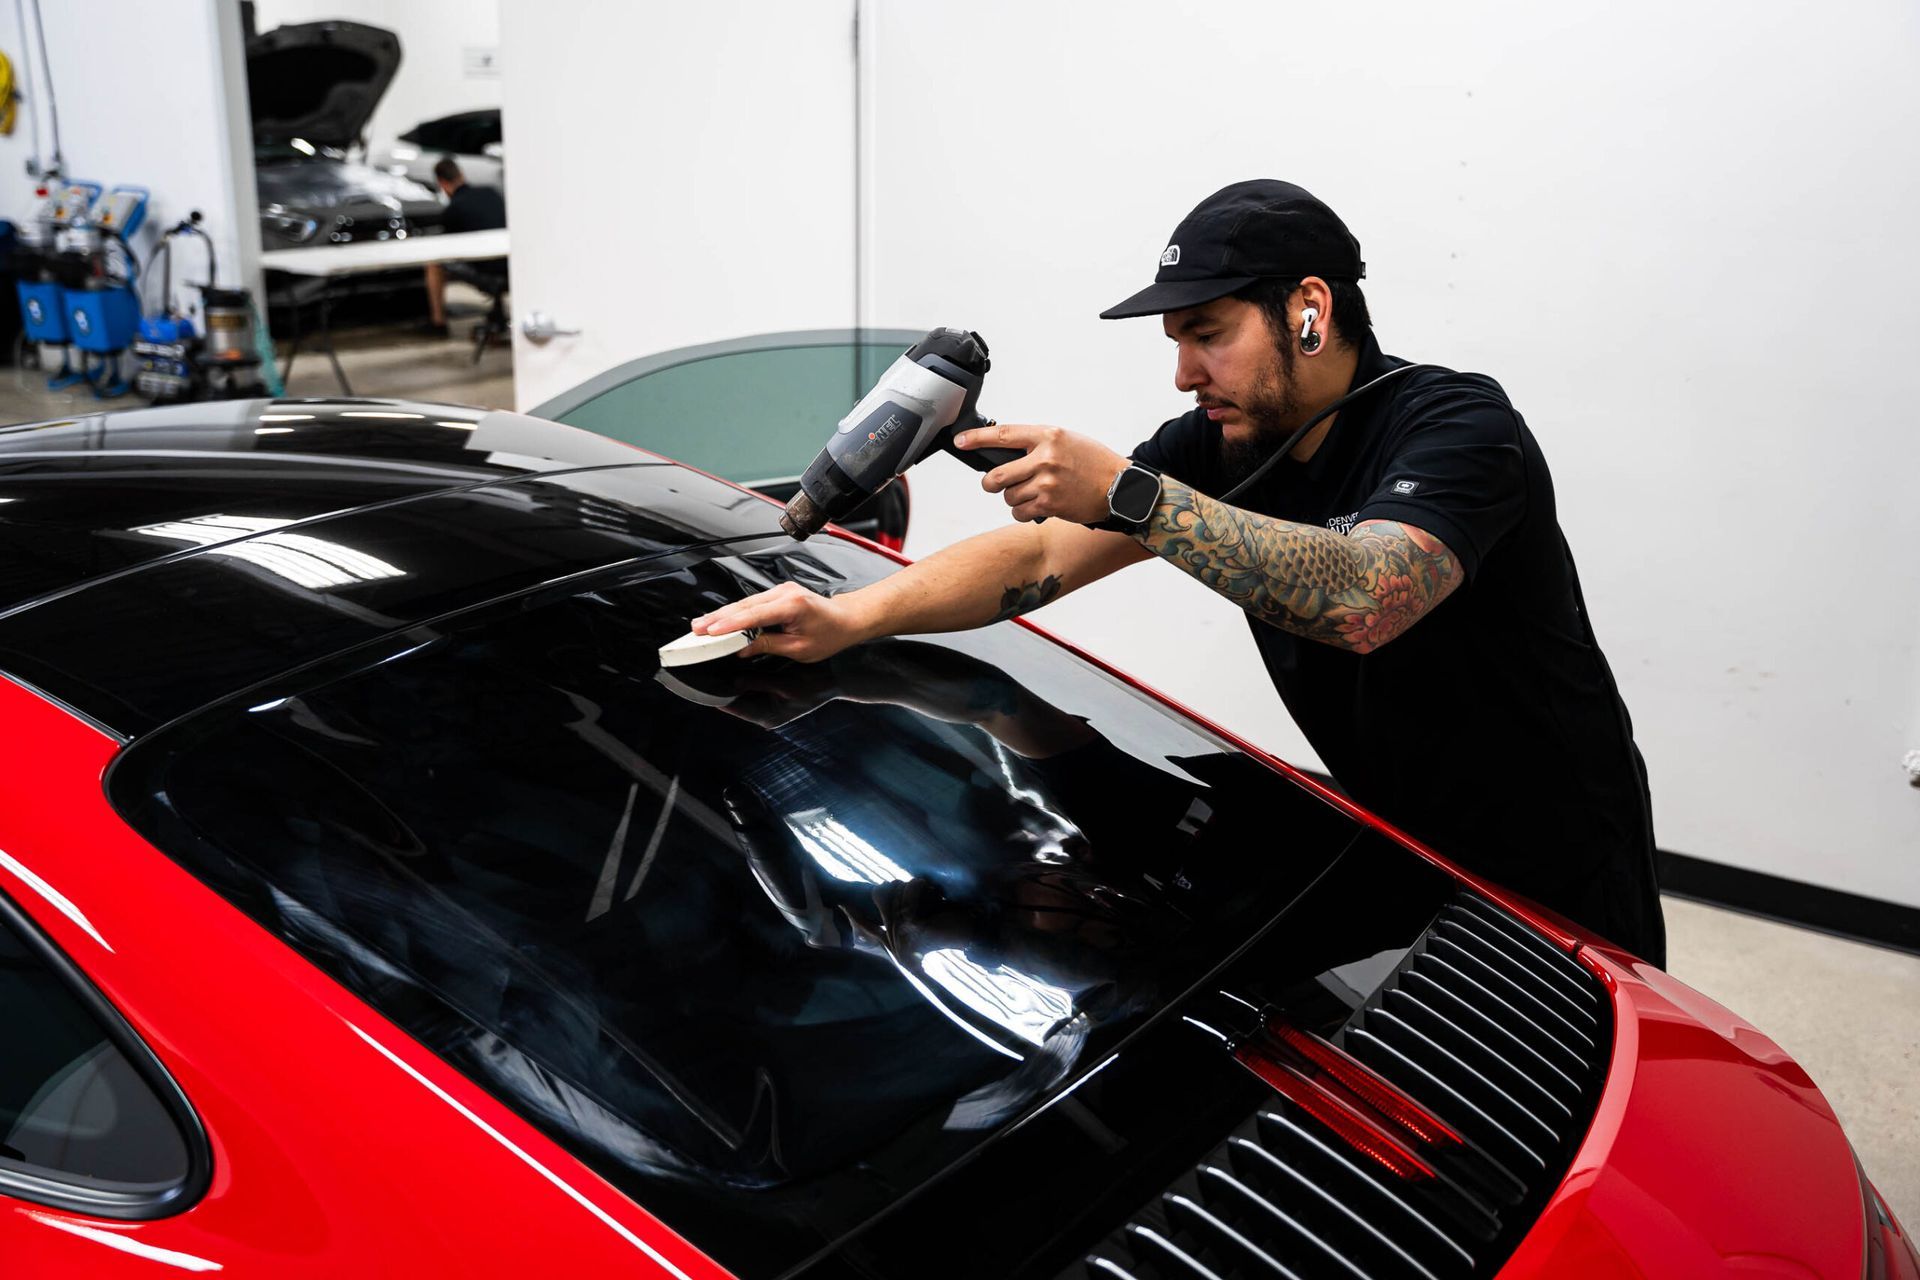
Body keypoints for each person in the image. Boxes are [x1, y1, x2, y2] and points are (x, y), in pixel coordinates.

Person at [690, 179, 1666, 965]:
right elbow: (1038, 555)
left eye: (1209, 334)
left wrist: (1130, 494)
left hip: (1554, 855)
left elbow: (1369, 594)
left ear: (1311, 312)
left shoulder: (1457, 426)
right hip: (1392, 830)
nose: (1186, 375)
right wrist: (847, 618)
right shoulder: (1224, 443)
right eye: (1177, 344)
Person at [422, 156, 507, 337]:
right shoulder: (491, 192)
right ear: (461, 174)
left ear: (442, 183)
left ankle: (438, 323)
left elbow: (451, 249)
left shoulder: (453, 210)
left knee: (434, 261)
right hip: (511, 265)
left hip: (489, 273)